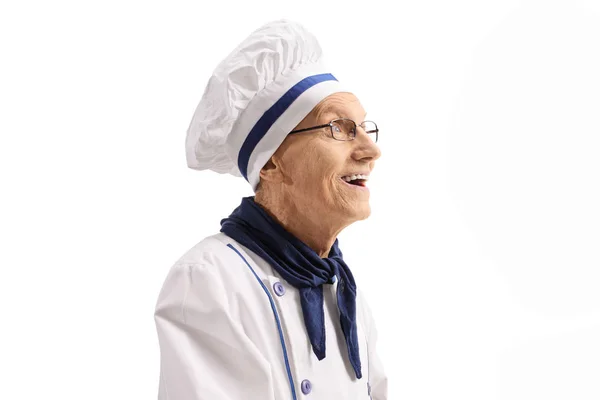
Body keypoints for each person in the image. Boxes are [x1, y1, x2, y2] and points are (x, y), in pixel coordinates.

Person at [153, 19, 388, 400]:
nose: (371, 151)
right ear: (270, 162)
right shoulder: (209, 280)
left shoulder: (341, 286)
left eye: (364, 128)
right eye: (338, 128)